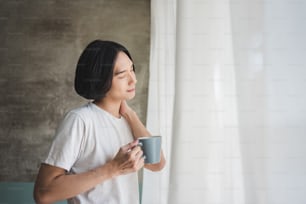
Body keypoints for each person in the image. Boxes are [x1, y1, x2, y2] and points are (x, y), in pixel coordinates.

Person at [33, 40, 166, 204]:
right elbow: (43, 193)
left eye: (132, 70)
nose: (133, 80)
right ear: (100, 79)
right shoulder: (80, 120)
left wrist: (130, 115)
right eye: (122, 75)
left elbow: (157, 164)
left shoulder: (128, 120)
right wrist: (112, 168)